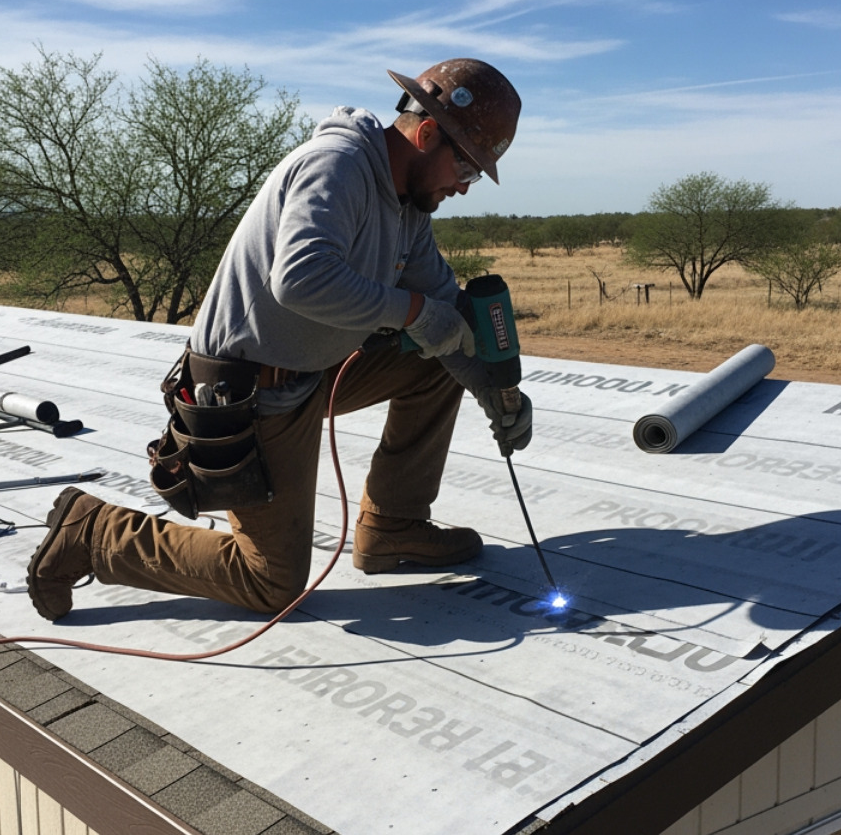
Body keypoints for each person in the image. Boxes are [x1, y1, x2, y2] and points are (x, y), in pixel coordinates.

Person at [26, 58, 533, 620]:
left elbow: (445, 314)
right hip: (248, 391)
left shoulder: (408, 207)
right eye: (465, 166)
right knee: (270, 582)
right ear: (428, 132)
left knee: (436, 349)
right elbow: (299, 279)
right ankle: (92, 531)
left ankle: (394, 525)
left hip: (313, 371)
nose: (462, 186)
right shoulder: (338, 164)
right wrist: (414, 311)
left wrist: (494, 388)